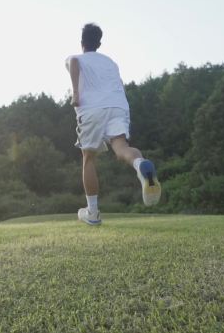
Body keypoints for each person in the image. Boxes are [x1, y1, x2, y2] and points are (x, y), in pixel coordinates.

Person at [65, 23, 161, 226]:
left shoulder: (77, 58)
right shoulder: (110, 62)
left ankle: (92, 212)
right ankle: (140, 164)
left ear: (82, 41)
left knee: (88, 157)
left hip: (92, 109)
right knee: (121, 148)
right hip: (118, 106)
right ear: (99, 43)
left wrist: (75, 93)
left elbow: (73, 61)